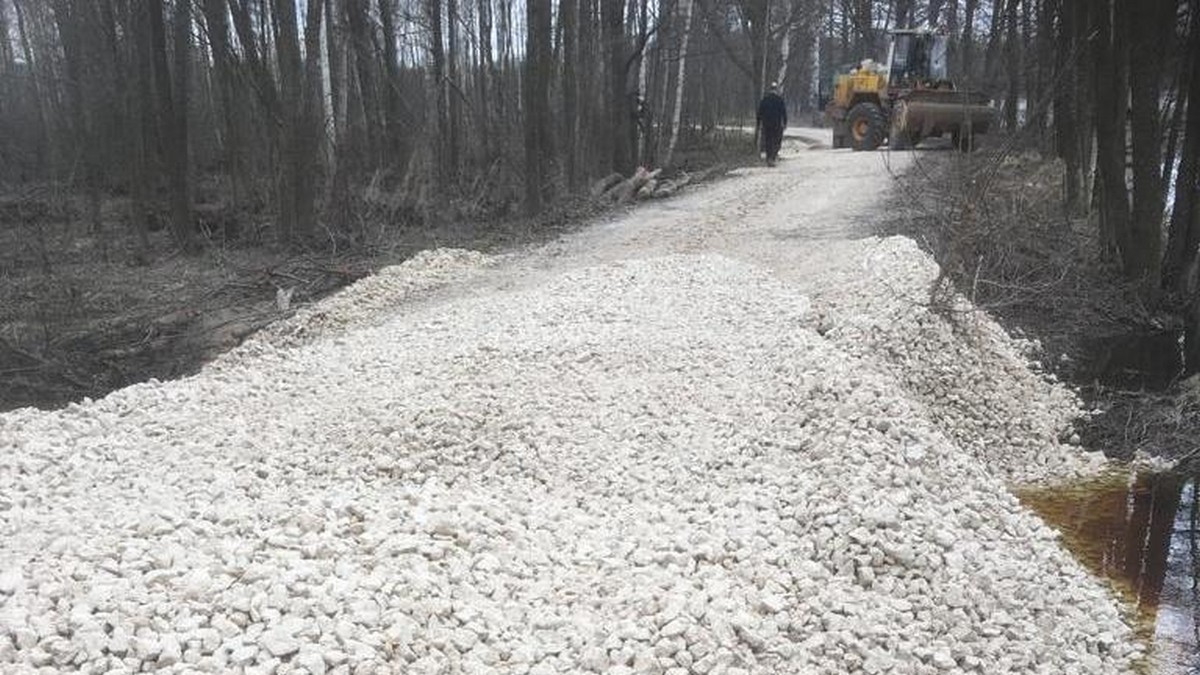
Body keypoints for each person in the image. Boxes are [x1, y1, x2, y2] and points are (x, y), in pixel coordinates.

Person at [757, 83, 787, 166]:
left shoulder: (765, 100)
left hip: (767, 124)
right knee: (776, 140)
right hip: (777, 124)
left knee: (768, 141)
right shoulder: (779, 100)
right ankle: (773, 157)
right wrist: (784, 123)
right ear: (776, 90)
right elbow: (784, 112)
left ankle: (769, 157)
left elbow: (760, 112)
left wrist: (759, 123)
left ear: (770, 89)